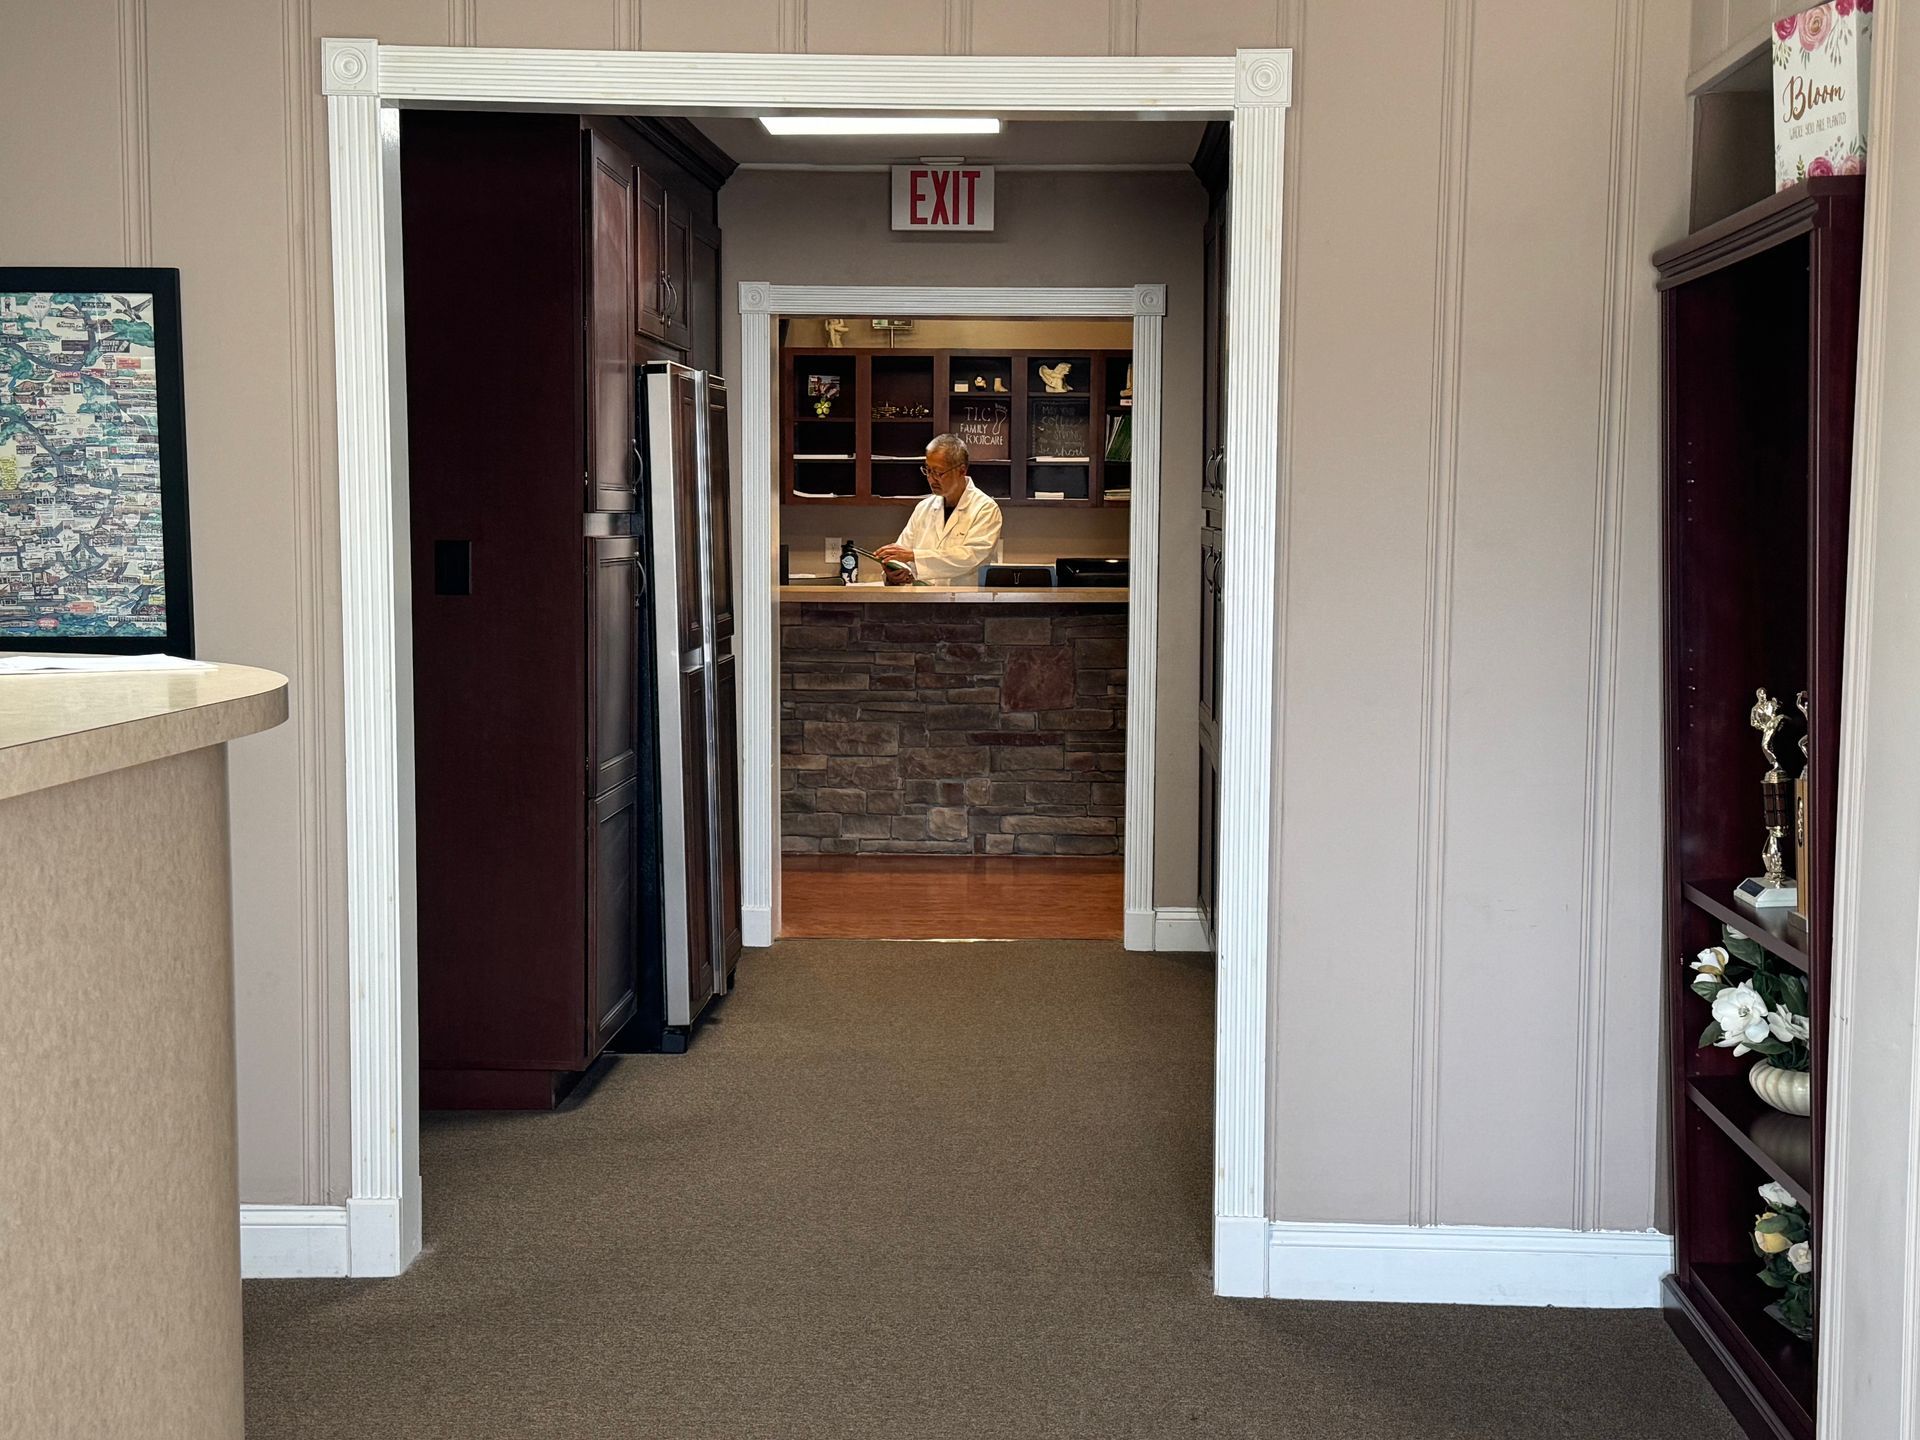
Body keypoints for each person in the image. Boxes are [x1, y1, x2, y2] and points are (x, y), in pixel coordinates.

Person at [875, 433, 1004, 586]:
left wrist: (913, 556)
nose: (931, 478)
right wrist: (896, 573)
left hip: (966, 602)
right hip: (923, 601)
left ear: (962, 470)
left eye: (938, 472)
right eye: (928, 470)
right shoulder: (923, 508)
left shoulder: (985, 508)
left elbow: (969, 557)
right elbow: (904, 553)